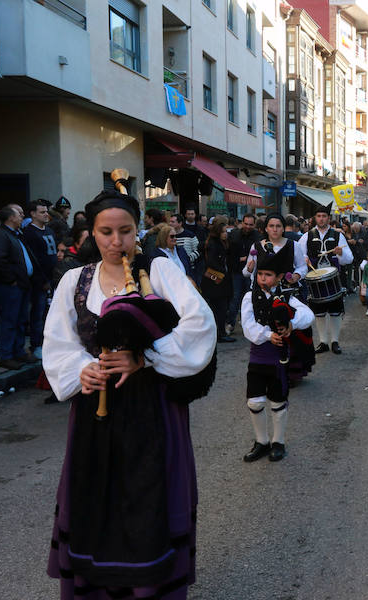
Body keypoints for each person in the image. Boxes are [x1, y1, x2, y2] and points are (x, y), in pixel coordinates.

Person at [42, 189, 215, 599]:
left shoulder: (159, 271)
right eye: (106, 232)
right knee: (95, 497)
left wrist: (149, 357)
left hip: (151, 407)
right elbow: (57, 341)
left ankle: (149, 588)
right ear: (93, 232)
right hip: (94, 411)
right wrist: (80, 371)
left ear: (138, 230)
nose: (116, 241)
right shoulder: (75, 281)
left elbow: (200, 323)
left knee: (147, 498)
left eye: (125, 231)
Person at [240, 250, 315, 462]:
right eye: (260, 274)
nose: (263, 278)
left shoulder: (287, 296)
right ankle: (261, 442)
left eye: (268, 274)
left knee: (277, 401)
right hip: (258, 356)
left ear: (279, 277)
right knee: (254, 402)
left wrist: (292, 324)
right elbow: (247, 326)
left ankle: (278, 442)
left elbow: (307, 315)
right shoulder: (249, 297)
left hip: (278, 358)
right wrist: (268, 334)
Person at [297, 206, 352, 354]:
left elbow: (349, 258)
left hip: (333, 278)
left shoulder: (338, 235)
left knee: (335, 311)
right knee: (319, 312)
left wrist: (341, 253)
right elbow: (299, 256)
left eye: (324, 216)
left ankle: (335, 341)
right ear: (315, 218)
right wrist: (305, 259)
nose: (321, 218)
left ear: (328, 218)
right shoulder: (307, 236)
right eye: (319, 216)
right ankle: (323, 342)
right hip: (315, 279)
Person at [0, 204, 35, 369]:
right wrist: (12, 280)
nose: (22, 218)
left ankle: (18, 352)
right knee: (10, 320)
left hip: (21, 285)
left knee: (20, 320)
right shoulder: (1, 235)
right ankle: (7, 356)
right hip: (10, 286)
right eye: (19, 215)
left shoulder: (15, 234)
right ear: (11, 217)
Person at [23, 199, 59, 359]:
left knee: (51, 314)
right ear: (32, 214)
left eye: (46, 211)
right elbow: (32, 259)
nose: (46, 215)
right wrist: (41, 280)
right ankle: (36, 345)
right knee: (37, 313)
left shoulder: (49, 230)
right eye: (42, 212)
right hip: (39, 282)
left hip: (53, 278)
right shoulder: (29, 233)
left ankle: (49, 344)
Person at [201, 218, 235, 344]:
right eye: (224, 232)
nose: (226, 234)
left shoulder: (219, 243)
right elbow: (211, 262)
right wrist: (223, 271)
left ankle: (219, 332)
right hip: (216, 282)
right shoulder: (214, 244)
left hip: (219, 281)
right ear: (218, 232)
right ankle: (220, 333)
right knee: (219, 309)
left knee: (220, 308)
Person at [226, 213, 260, 333]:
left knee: (250, 299)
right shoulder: (234, 235)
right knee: (235, 298)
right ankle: (230, 323)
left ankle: (248, 324)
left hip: (252, 273)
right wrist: (239, 260)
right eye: (246, 224)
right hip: (237, 272)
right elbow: (228, 254)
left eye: (251, 224)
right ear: (241, 223)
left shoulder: (258, 237)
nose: (248, 226)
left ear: (254, 225)